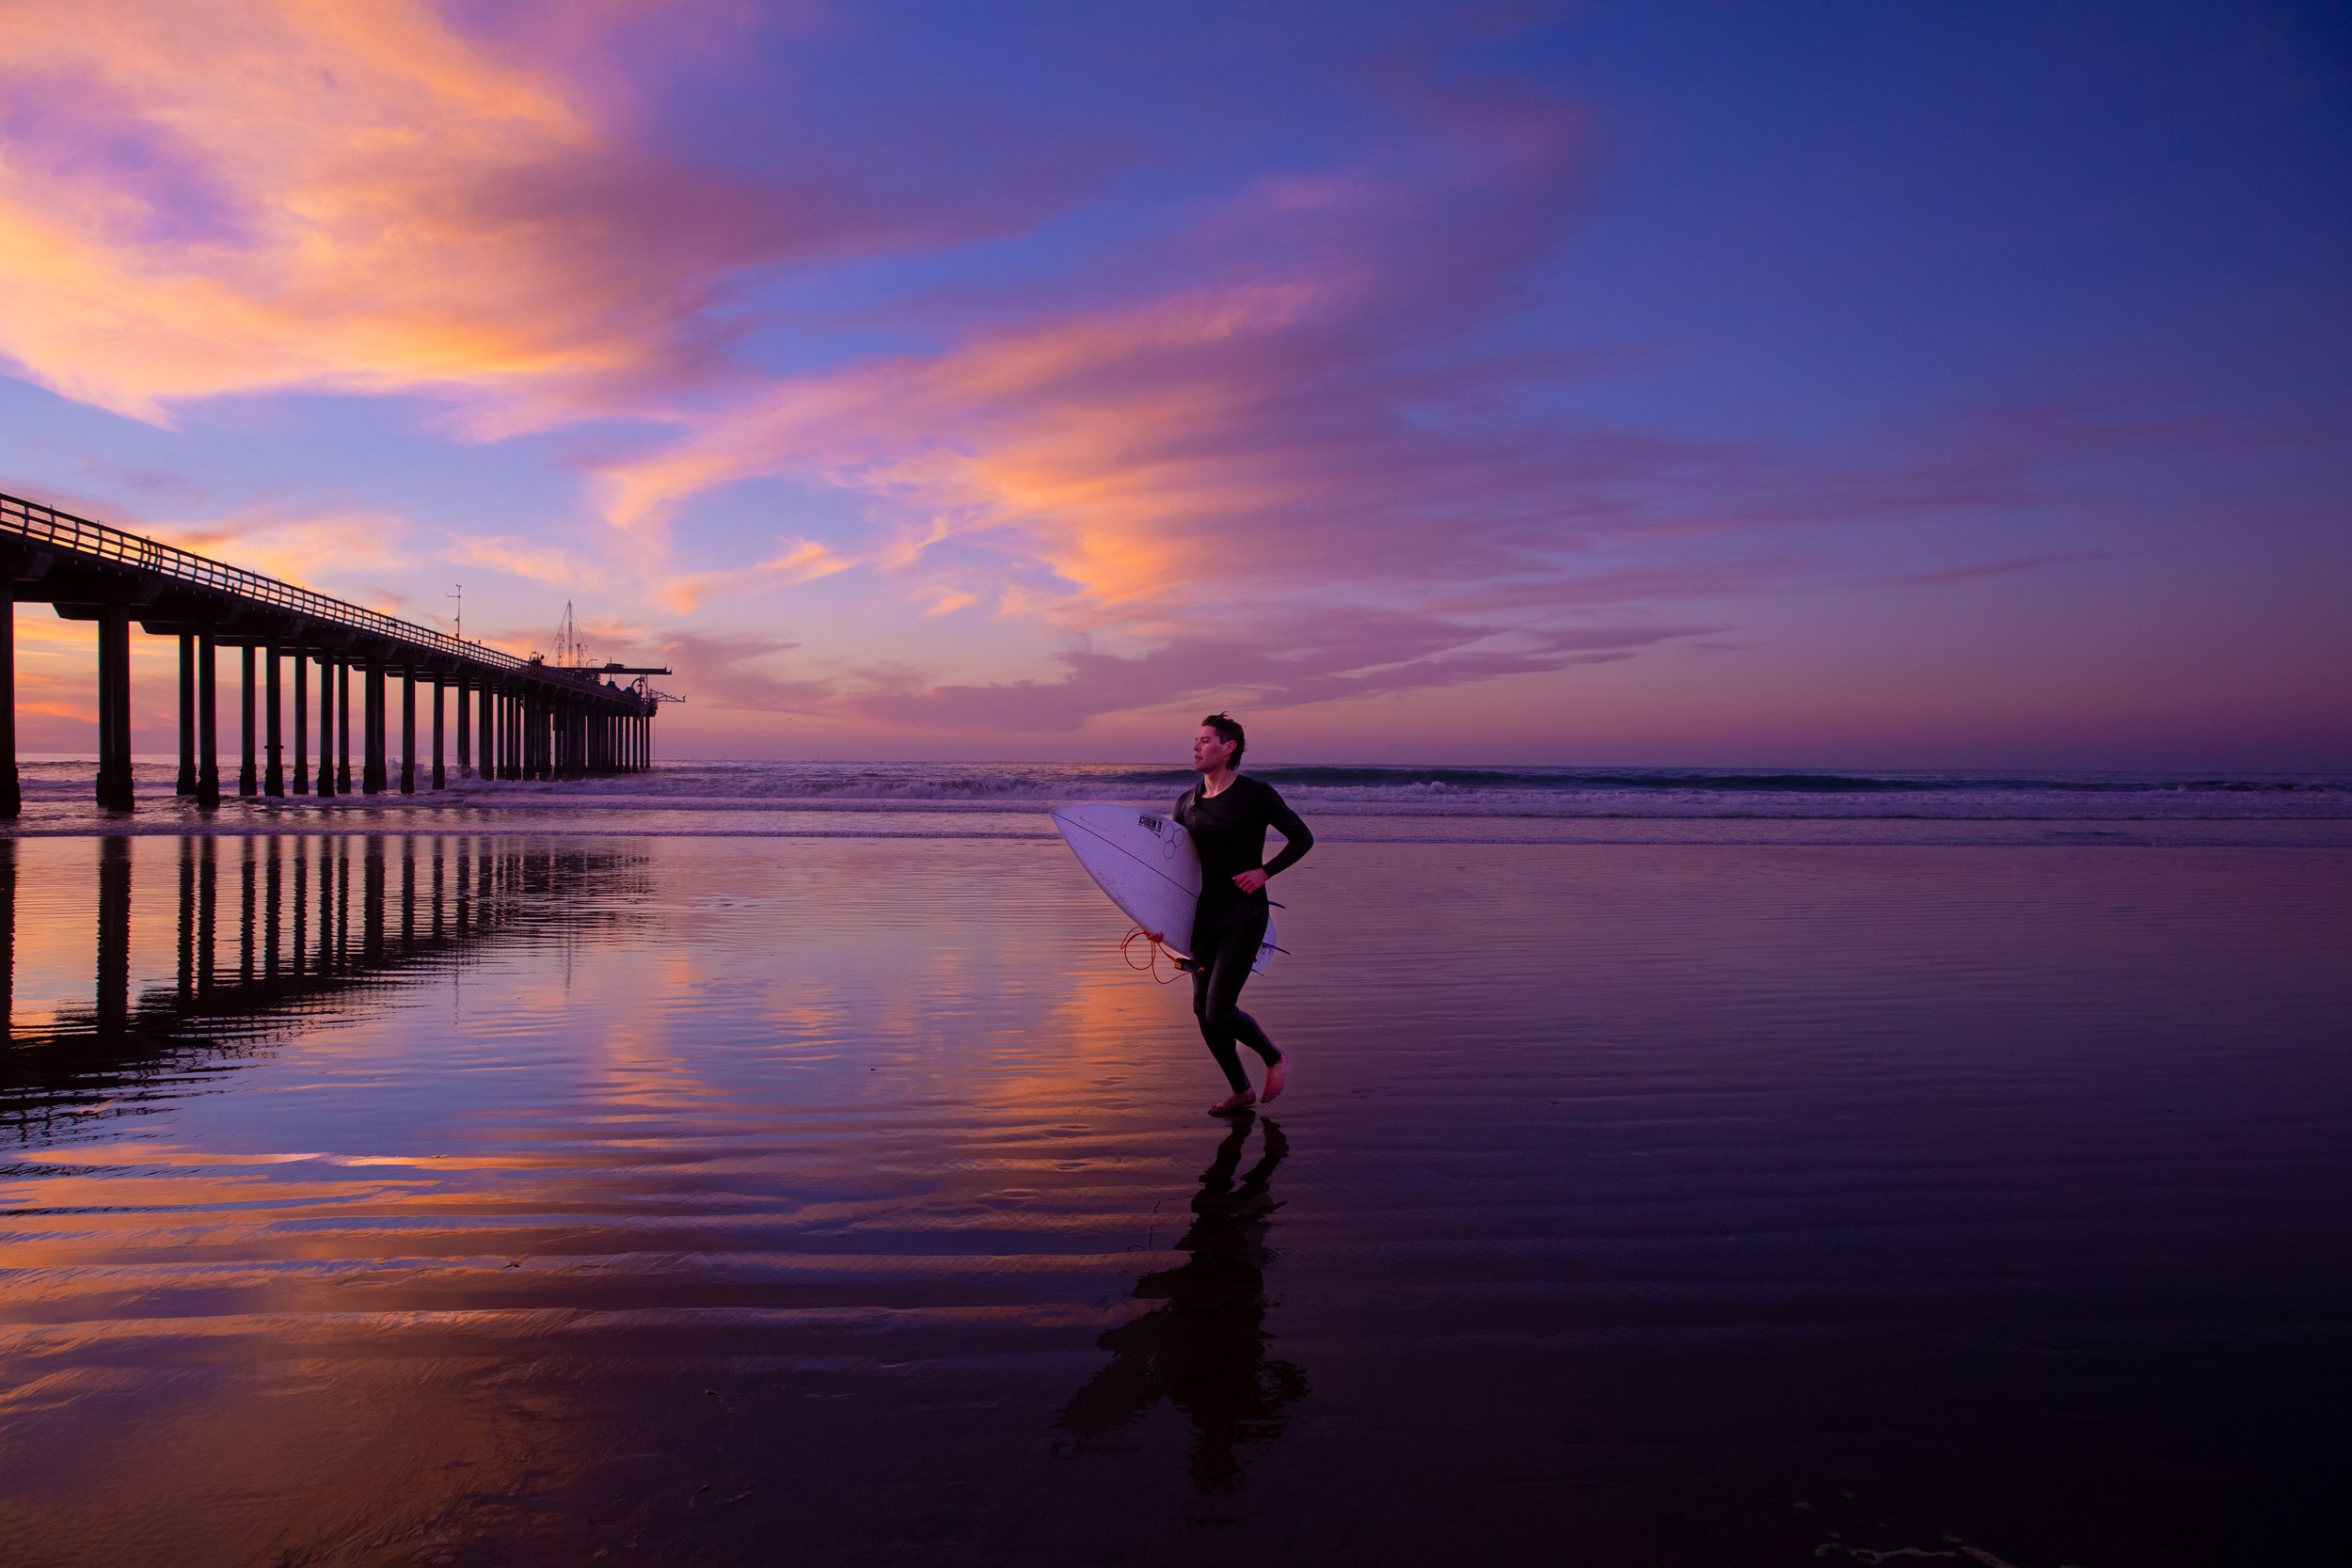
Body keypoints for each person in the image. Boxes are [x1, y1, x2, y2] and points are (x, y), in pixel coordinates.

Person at [1173, 713, 1312, 1116]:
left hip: (1243, 913)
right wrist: (1155, 918)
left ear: (1228, 747)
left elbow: (1302, 837)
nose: (1196, 746)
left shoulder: (1256, 794)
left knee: (1219, 1008)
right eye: (1195, 740)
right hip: (1204, 916)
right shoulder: (1187, 802)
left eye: (1204, 740)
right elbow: (1173, 867)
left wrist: (1264, 870)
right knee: (1201, 1009)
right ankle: (1241, 1090)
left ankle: (1273, 1057)